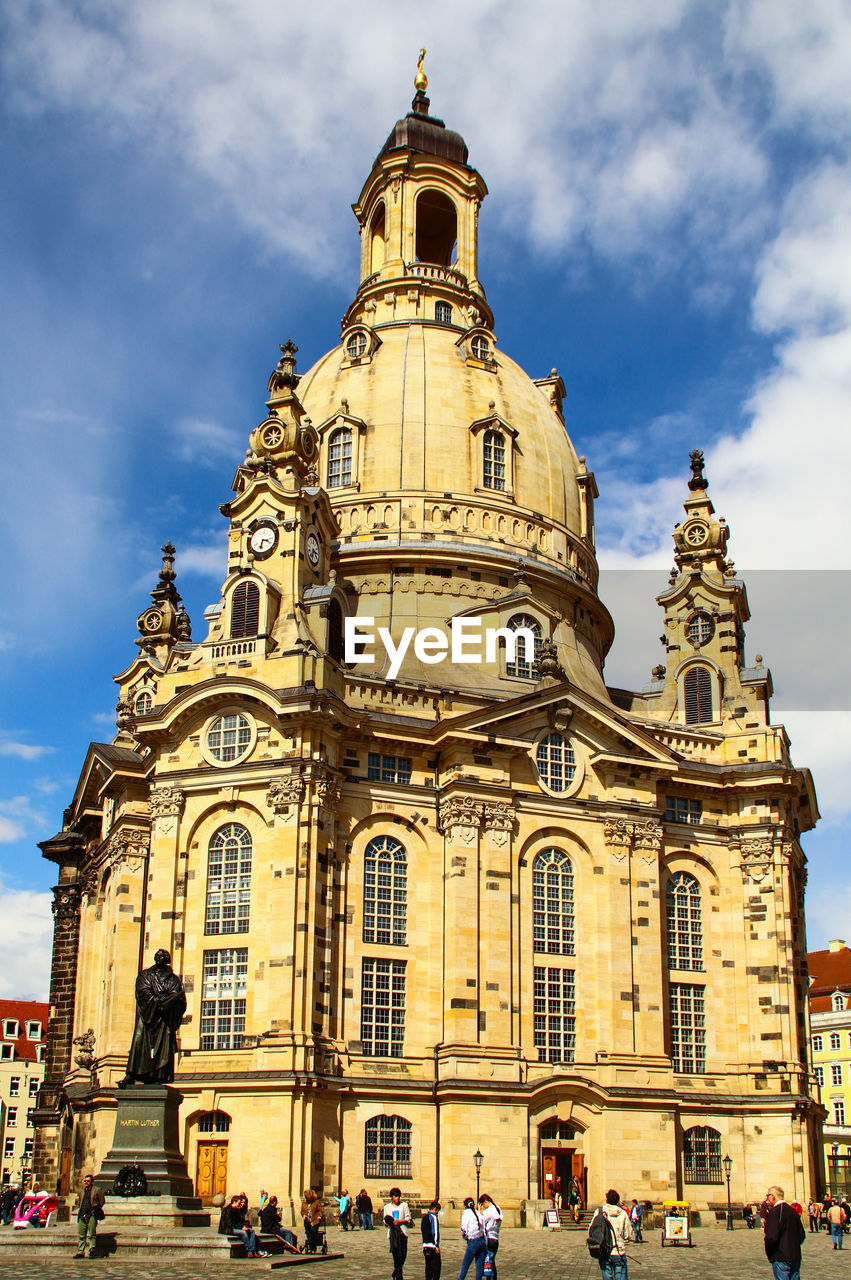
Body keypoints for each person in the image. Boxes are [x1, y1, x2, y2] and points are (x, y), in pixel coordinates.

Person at [118, 948, 187, 1086]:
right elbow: (143, 992)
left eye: (162, 957)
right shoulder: (146, 975)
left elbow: (179, 998)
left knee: (164, 1045)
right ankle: (132, 1073)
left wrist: (169, 1003)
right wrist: (161, 1001)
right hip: (147, 1015)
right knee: (138, 1042)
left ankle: (159, 1075)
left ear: (167, 960)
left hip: (165, 1019)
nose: (159, 958)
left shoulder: (174, 979)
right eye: (158, 956)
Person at [587, 1189, 632, 1280]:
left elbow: (591, 1230)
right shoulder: (623, 1213)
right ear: (617, 1201)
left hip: (604, 1251)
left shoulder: (599, 1211)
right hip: (619, 1251)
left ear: (607, 1199)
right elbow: (627, 1235)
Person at [764, 1185, 806, 1279]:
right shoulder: (793, 1211)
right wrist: (793, 1245)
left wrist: (770, 1253)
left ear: (772, 1197)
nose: (767, 1199)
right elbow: (802, 1234)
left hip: (781, 1257)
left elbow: (771, 1237)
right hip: (795, 1256)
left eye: (767, 1196)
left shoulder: (775, 1212)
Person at [73, 1174, 105, 1259]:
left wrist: (96, 1209)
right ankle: (80, 1251)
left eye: (88, 1181)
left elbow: (102, 1201)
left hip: (91, 1214)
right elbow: (80, 1202)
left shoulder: (97, 1190)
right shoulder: (81, 1191)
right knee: (81, 1234)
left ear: (92, 1182)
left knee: (91, 1233)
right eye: (85, 1181)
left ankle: (92, 1250)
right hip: (82, 1214)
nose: (86, 1183)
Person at [384, 1187, 412, 1280]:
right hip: (393, 1233)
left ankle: (396, 1272)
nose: (397, 1198)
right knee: (396, 1255)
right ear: (391, 1197)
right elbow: (385, 1221)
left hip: (402, 1232)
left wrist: (399, 1221)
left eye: (399, 1196)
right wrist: (389, 1223)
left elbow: (408, 1219)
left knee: (403, 1255)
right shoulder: (387, 1207)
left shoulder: (404, 1205)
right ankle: (399, 1276)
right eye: (396, 1196)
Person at [456, 1196, 487, 1280]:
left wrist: (466, 1237)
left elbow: (464, 1230)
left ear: (465, 1206)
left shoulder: (466, 1214)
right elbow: (484, 1229)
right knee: (479, 1266)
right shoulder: (478, 1213)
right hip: (482, 1241)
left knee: (465, 1266)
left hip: (473, 1242)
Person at [478, 1194, 502, 1280]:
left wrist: (480, 1211)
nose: (483, 1207)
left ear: (485, 1202)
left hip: (489, 1238)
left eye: (483, 1205)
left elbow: (481, 1222)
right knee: (491, 1259)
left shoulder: (489, 1211)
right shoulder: (498, 1208)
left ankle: (491, 1278)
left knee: (488, 1260)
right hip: (495, 1238)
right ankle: (493, 1277)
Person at [421, 1199, 441, 1280]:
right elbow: (435, 1232)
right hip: (432, 1247)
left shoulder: (425, 1218)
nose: (437, 1213)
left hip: (425, 1246)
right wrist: (436, 1245)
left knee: (428, 1268)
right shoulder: (433, 1217)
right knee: (436, 1268)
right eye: (437, 1211)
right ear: (435, 1209)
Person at [301, 1189, 325, 1253]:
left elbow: (320, 1210)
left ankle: (314, 1248)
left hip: (315, 1220)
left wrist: (319, 1216)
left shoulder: (316, 1202)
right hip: (307, 1221)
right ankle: (310, 1248)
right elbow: (302, 1211)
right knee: (309, 1234)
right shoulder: (304, 1203)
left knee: (314, 1233)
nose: (308, 1198)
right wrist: (303, 1215)